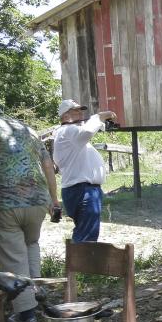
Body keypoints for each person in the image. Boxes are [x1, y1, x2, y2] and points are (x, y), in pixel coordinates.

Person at [0, 110, 61, 322]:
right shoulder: (27, 129)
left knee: (13, 255)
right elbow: (47, 165)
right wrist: (54, 200)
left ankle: (26, 315)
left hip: (7, 202)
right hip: (38, 201)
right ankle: (37, 296)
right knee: (31, 245)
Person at [53, 99, 120, 242]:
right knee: (86, 238)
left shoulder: (66, 134)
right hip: (83, 190)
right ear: (64, 116)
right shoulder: (68, 130)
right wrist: (99, 117)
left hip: (81, 189)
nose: (80, 114)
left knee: (84, 234)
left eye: (80, 110)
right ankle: (82, 264)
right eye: (75, 111)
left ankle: (80, 262)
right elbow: (87, 131)